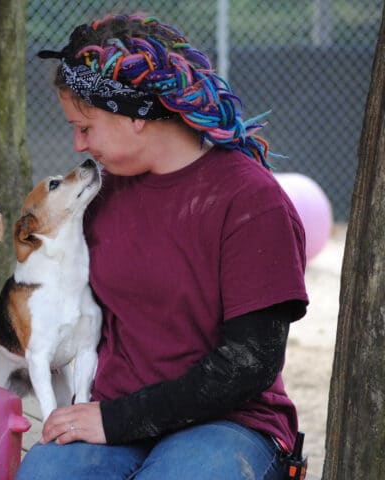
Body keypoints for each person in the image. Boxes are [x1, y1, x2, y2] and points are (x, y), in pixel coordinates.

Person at [16, 13, 308, 480]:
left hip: (230, 424)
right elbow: (39, 293)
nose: (77, 145)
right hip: (114, 420)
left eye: (85, 127)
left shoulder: (252, 200)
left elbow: (249, 363)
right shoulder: (100, 194)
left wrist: (117, 419)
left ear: (136, 115)